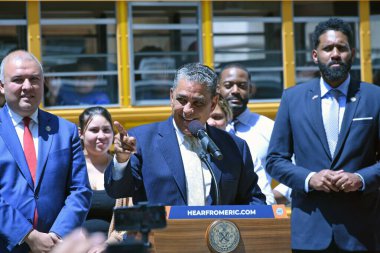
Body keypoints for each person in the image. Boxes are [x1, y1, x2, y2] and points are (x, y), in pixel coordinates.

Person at [266, 18, 380, 252]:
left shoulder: (374, 97)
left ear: (353, 53)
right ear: (316, 55)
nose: (335, 54)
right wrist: (310, 179)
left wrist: (360, 179)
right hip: (309, 232)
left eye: (342, 48)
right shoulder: (292, 98)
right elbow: (275, 160)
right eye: (328, 48)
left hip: (362, 233)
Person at [105, 62, 266, 206]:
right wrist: (121, 161)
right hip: (162, 238)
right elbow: (118, 192)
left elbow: (254, 200)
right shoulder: (142, 140)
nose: (188, 110)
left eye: (198, 103)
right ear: (171, 97)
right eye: (181, 100)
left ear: (213, 104)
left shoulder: (234, 146)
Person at [0, 50, 92, 253]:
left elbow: (80, 190)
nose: (27, 86)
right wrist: (28, 235)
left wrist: (57, 235)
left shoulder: (65, 130)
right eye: (17, 79)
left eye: (34, 79)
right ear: (2, 86)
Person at [218, 63, 275, 205]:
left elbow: (293, 166)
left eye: (242, 86)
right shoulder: (206, 128)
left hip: (258, 213)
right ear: (217, 89)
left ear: (251, 89)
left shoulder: (269, 128)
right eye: (228, 85)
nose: (235, 90)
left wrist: (271, 196)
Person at [78, 107, 116, 237]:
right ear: (81, 133)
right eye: (94, 130)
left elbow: (130, 219)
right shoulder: (70, 168)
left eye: (106, 130)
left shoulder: (122, 167)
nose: (101, 136)